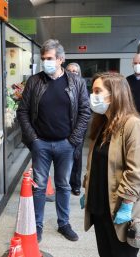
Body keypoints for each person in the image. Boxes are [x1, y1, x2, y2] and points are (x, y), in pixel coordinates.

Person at [83, 72, 140, 257]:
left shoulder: (133, 125)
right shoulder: (103, 122)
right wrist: (86, 189)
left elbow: (136, 170)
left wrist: (127, 204)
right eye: (94, 90)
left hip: (122, 205)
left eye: (98, 91)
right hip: (101, 202)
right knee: (107, 254)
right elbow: (95, 162)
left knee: (123, 256)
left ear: (116, 94)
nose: (94, 96)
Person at [17, 39, 90, 242]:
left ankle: (63, 224)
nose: (45, 62)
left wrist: (73, 140)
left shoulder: (76, 83)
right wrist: (33, 139)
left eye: (49, 59)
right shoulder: (34, 81)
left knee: (64, 185)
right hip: (40, 144)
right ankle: (37, 226)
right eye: (43, 59)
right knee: (39, 186)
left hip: (66, 144)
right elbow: (22, 111)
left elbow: (85, 112)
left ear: (60, 59)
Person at [65, 62, 86, 196]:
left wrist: (77, 132)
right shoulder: (61, 86)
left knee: (76, 157)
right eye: (70, 71)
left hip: (78, 128)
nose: (72, 73)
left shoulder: (81, 86)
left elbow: (85, 110)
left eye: (75, 71)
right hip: (63, 128)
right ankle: (64, 183)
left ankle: (76, 185)